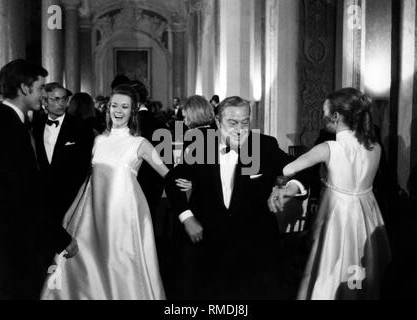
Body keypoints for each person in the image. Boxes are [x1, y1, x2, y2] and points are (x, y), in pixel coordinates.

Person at [165, 96, 308, 299]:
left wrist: (289, 188)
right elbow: (172, 180)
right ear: (217, 121)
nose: (239, 129)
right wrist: (187, 217)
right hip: (209, 241)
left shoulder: (264, 145)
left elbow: (301, 170)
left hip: (254, 243)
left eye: (245, 122)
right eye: (232, 122)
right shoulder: (201, 146)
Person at [41, 84, 169, 300]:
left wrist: (186, 183)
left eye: (125, 107)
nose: (118, 111)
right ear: (108, 108)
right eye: (114, 106)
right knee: (88, 266)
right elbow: (89, 180)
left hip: (124, 217)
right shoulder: (98, 140)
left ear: (133, 111)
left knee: (123, 265)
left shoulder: (140, 143)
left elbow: (166, 173)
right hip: (93, 216)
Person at [273, 88, 391, 299]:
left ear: (335, 116)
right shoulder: (375, 146)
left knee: (330, 273)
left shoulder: (329, 147)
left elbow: (287, 169)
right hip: (368, 218)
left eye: (324, 111)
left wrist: (278, 181)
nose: (322, 116)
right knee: (360, 275)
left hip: (339, 217)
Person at [0, 59, 76, 300]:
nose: (44, 94)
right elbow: (24, 193)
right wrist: (61, 237)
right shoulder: (9, 128)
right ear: (24, 88)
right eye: (41, 88)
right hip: (13, 240)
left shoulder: (8, 121)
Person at [33, 83, 95, 269]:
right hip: (41, 203)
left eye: (64, 99)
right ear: (45, 102)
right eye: (56, 99)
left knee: (70, 260)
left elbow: (84, 168)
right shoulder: (34, 127)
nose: (61, 103)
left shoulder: (81, 128)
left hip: (69, 201)